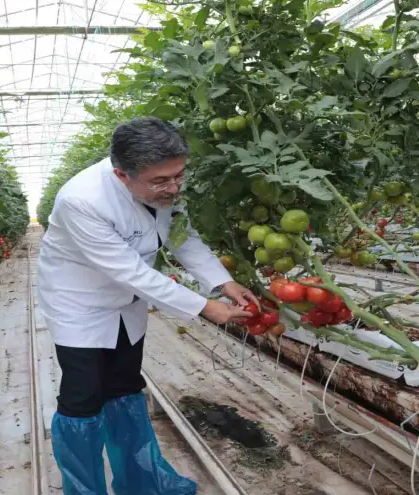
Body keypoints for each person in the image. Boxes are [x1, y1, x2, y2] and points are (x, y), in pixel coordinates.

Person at [37, 116, 257, 495]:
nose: (173, 187)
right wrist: (206, 307)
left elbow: (181, 236)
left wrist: (223, 281)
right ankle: (85, 490)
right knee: (83, 397)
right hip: (81, 306)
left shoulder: (163, 188)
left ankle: (141, 482)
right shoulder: (82, 199)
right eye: (160, 181)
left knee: (124, 384)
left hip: (127, 305)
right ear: (122, 175)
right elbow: (131, 273)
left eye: (179, 175)